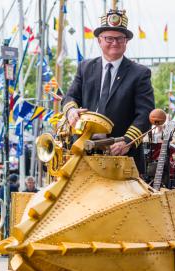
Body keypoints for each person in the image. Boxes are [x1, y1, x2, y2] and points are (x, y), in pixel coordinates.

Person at [62, 9, 155, 173]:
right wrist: (71, 110)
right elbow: (70, 96)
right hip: (82, 155)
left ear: (126, 42)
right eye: (109, 38)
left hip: (121, 158)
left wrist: (127, 142)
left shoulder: (140, 73)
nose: (115, 42)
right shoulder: (85, 68)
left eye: (120, 38)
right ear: (99, 40)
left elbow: (145, 114)